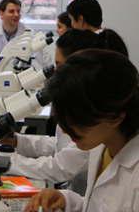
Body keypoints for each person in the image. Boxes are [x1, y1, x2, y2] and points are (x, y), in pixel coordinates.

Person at [7, 28, 128, 195]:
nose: (56, 73)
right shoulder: (102, 142)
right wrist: (17, 142)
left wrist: (7, 162)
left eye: (60, 66)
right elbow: (61, 145)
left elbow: (61, 166)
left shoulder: (99, 128)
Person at [25, 50, 139, 212]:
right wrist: (67, 200)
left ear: (116, 117)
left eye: (77, 120)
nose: (66, 131)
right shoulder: (103, 144)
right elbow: (101, 205)